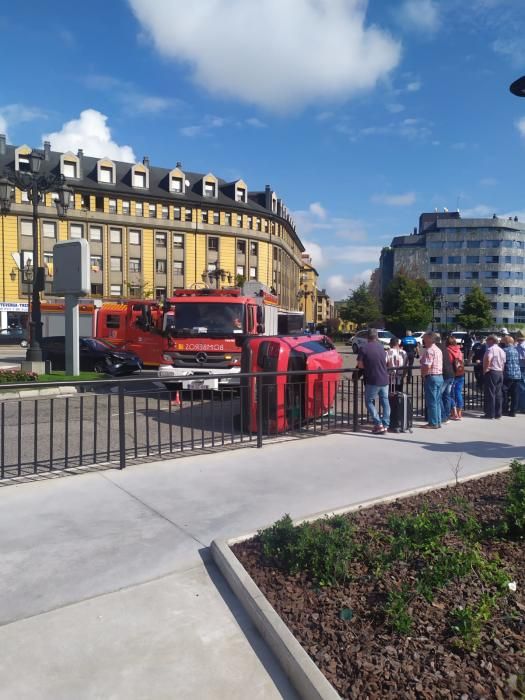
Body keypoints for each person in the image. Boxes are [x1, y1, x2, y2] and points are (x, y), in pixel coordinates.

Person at [356, 328, 390, 434]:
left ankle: (378, 423)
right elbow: (386, 361)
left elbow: (360, 365)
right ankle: (385, 424)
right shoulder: (382, 348)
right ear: (377, 337)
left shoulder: (363, 348)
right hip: (384, 378)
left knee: (369, 401)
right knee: (385, 401)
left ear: (367, 337)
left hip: (372, 378)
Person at [420, 332, 444, 429]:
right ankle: (437, 421)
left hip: (432, 377)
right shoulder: (438, 350)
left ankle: (433, 423)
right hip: (439, 376)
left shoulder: (429, 350)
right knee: (437, 401)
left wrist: (423, 374)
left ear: (429, 339)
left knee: (431, 401)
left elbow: (427, 365)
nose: (423, 340)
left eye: (425, 338)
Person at [481, 335, 506, 419]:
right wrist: (501, 371)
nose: (487, 342)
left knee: (490, 393)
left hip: (492, 372)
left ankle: (490, 414)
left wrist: (485, 369)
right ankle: (498, 413)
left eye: (488, 340)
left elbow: (488, 358)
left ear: (492, 340)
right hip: (499, 372)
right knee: (498, 393)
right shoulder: (501, 350)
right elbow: (503, 362)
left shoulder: (491, 349)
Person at [436, 334, 454, 424]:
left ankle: (443, 416)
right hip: (451, 373)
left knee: (438, 396)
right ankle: (447, 415)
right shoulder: (444, 347)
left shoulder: (436, 348)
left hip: (444, 374)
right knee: (446, 396)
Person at [502, 335, 521, 417]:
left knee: (504, 392)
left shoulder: (504, 350)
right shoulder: (516, 350)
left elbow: (503, 362)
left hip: (507, 373)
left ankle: (505, 409)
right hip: (517, 374)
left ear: (506, 342)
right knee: (515, 394)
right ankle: (513, 411)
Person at [447, 336, 465, 420]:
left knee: (450, 394)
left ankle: (453, 412)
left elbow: (449, 362)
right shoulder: (459, 350)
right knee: (458, 393)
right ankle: (459, 412)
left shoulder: (448, 351)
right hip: (461, 373)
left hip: (453, 374)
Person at [515, 329, 525, 413]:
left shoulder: (522, 346)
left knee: (522, 388)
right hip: (520, 368)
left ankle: (522, 407)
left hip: (522, 368)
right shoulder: (518, 345)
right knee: (520, 388)